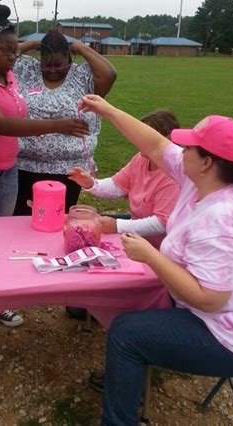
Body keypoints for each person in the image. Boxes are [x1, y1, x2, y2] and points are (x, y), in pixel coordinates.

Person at [78, 94, 233, 425]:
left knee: (127, 334)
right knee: (130, 296)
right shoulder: (203, 179)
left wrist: (151, 255)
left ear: (207, 161)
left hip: (232, 336)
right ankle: (125, 378)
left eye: (189, 146)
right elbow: (152, 144)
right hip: (215, 315)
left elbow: (211, 299)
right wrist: (107, 109)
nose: (180, 150)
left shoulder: (223, 217)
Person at [0, 4, 89, 335]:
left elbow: (7, 56)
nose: (14, 56)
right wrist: (56, 125)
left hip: (6, 170)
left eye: (16, 49)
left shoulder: (6, 75)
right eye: (7, 50)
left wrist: (16, 48)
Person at [66, 109, 181, 321]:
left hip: (164, 247)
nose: (138, 141)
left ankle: (130, 302)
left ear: (165, 140)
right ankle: (94, 294)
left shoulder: (174, 174)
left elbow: (162, 223)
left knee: (105, 231)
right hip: (139, 229)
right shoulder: (141, 158)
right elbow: (118, 185)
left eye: (145, 135)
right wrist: (90, 183)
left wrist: (118, 226)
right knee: (94, 231)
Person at [12, 30, 117, 215]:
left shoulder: (82, 75)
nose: (52, 69)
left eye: (59, 65)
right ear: (40, 59)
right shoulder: (27, 69)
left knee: (57, 218)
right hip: (24, 165)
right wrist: (30, 44)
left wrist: (81, 47)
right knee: (22, 218)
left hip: (69, 169)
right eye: (47, 65)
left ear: (69, 58)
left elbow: (109, 74)